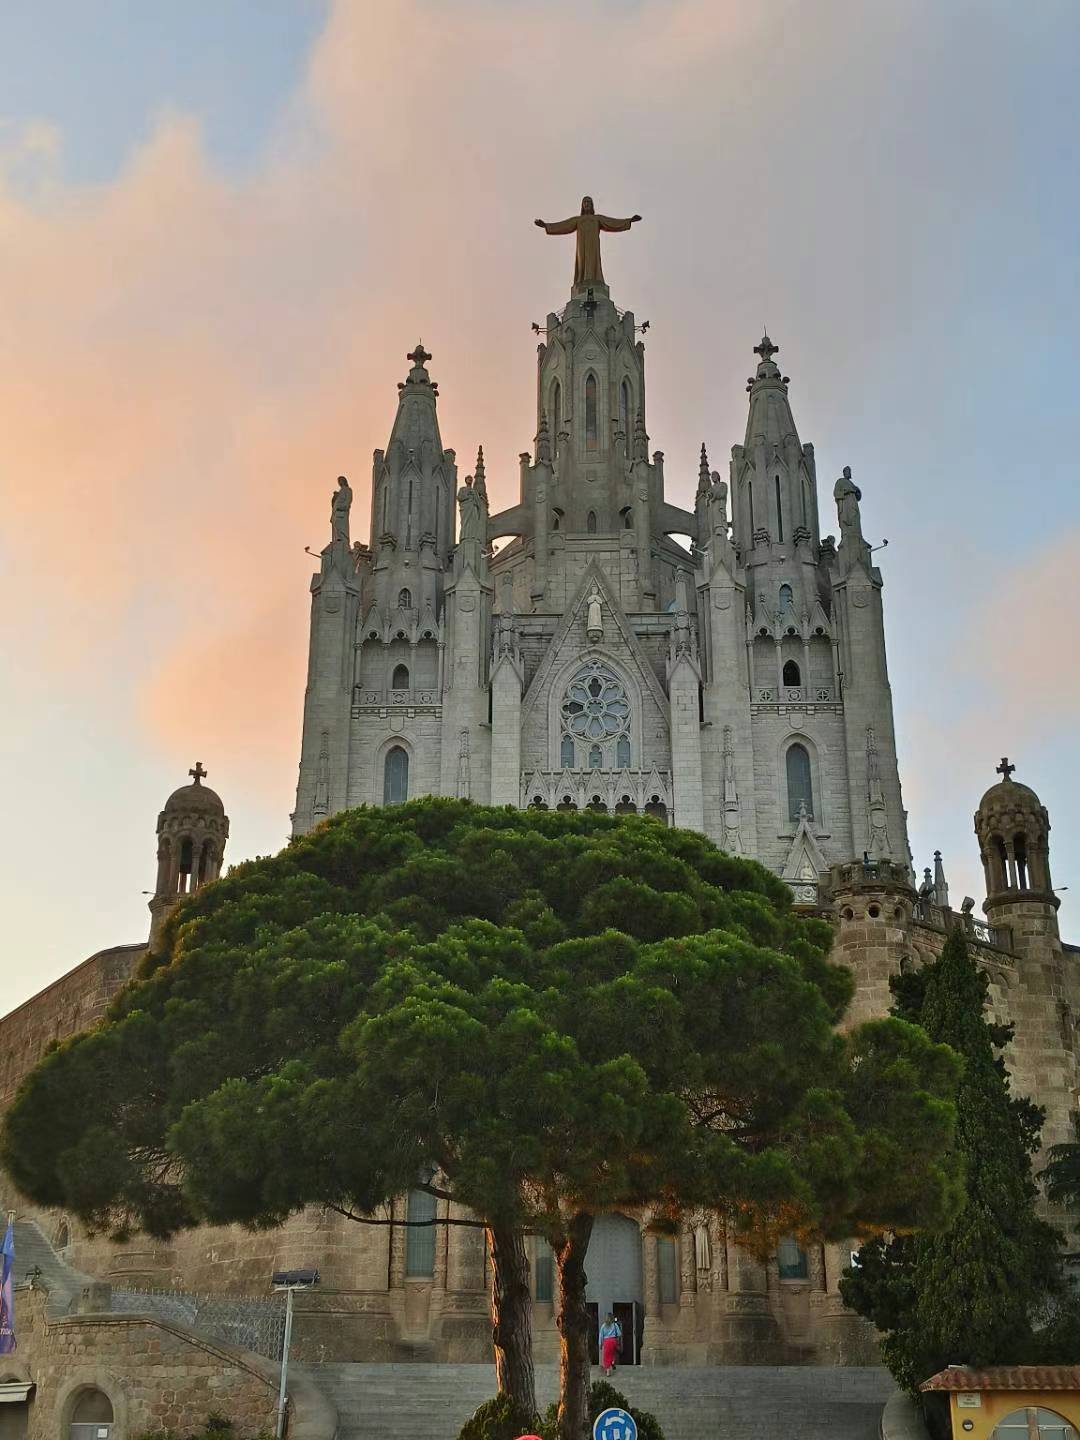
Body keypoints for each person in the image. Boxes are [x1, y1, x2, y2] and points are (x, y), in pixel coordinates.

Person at [599, 1312, 622, 1376]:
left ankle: (608, 1371)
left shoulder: (603, 1325)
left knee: (606, 1356)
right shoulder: (615, 1325)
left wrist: (600, 1344)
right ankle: (612, 1361)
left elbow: (601, 1335)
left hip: (606, 1341)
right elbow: (619, 1334)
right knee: (612, 1353)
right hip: (613, 1340)